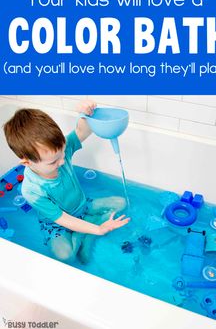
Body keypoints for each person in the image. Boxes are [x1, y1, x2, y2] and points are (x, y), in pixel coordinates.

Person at [3, 100, 130, 264]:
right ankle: (87, 229)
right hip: (57, 224)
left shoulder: (57, 151)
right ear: (27, 162)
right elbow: (62, 219)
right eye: (53, 162)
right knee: (65, 256)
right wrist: (98, 229)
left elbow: (81, 132)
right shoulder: (32, 190)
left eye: (63, 153)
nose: (62, 161)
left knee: (121, 203)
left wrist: (86, 115)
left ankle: (86, 228)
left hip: (83, 205)